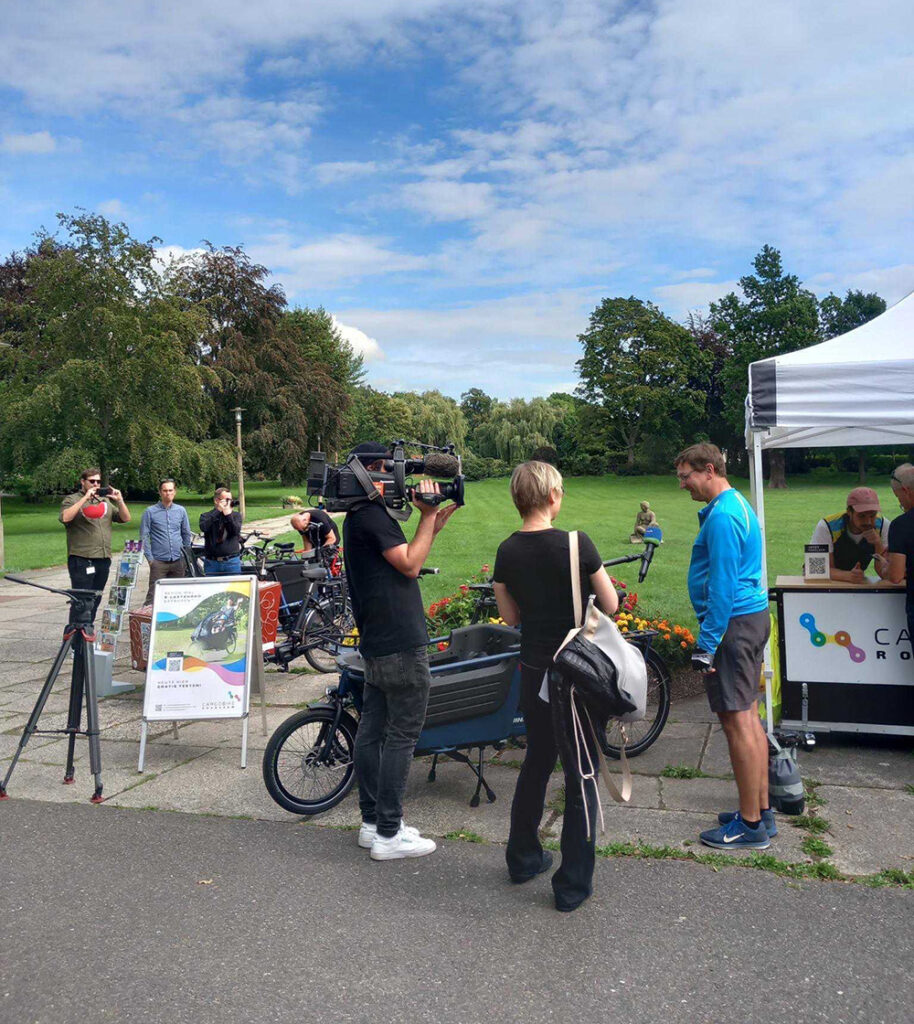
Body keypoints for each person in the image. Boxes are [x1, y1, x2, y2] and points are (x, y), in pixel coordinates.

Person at [493, 461, 618, 912]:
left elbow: (510, 618)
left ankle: (523, 856)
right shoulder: (575, 543)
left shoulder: (506, 550)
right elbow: (610, 603)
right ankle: (572, 884)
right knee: (580, 771)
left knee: (537, 763)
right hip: (574, 676)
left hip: (534, 670)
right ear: (552, 497)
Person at [344, 442, 458, 861]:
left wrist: (432, 526)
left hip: (378, 640)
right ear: (373, 472)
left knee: (373, 731)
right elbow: (410, 565)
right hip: (399, 643)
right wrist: (426, 515)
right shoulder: (372, 515)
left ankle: (372, 823)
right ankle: (390, 833)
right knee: (401, 736)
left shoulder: (361, 516)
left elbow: (397, 560)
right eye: (389, 470)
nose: (398, 478)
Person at [675, 443, 772, 851]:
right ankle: (760, 812)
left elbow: (723, 586)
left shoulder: (724, 516)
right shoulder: (734, 506)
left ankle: (750, 827)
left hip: (733, 626)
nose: (683, 485)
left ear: (709, 469)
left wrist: (707, 644)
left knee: (738, 723)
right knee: (748, 715)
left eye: (686, 477)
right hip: (747, 621)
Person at [59, 467, 131, 619]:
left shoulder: (104, 501)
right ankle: (77, 639)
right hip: (82, 559)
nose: (96, 485)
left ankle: (87, 634)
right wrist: (85, 498)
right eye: (92, 481)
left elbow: (125, 518)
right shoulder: (72, 499)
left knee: (95, 600)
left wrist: (120, 500)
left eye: (98, 482)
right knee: (81, 602)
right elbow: (65, 518)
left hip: (103, 558)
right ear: (82, 482)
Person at [808, 486, 891, 583]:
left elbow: (885, 574)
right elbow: (815, 569)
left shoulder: (883, 525)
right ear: (849, 512)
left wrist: (878, 544)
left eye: (873, 515)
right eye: (861, 516)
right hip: (828, 583)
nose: (868, 521)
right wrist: (848, 576)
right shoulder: (827, 526)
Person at [140, 478, 191, 605]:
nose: (168, 493)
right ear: (160, 492)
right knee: (153, 595)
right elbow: (144, 536)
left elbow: (186, 533)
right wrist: (150, 559)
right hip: (158, 561)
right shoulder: (150, 512)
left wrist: (185, 555)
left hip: (178, 560)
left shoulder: (181, 510)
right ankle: (148, 621)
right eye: (165, 490)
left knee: (178, 595)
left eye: (170, 490)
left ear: (175, 492)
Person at [886, 463, 914, 655]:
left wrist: (884, 563)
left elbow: (895, 575)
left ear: (906, 491)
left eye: (899, 498)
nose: (901, 504)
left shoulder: (901, 525)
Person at [199, 487, 243, 574]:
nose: (229, 502)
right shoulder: (206, 516)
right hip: (212, 563)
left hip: (231, 562)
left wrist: (228, 515)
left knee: (233, 588)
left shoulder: (235, 516)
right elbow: (204, 527)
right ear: (216, 501)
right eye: (226, 500)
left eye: (230, 500)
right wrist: (218, 511)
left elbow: (235, 531)